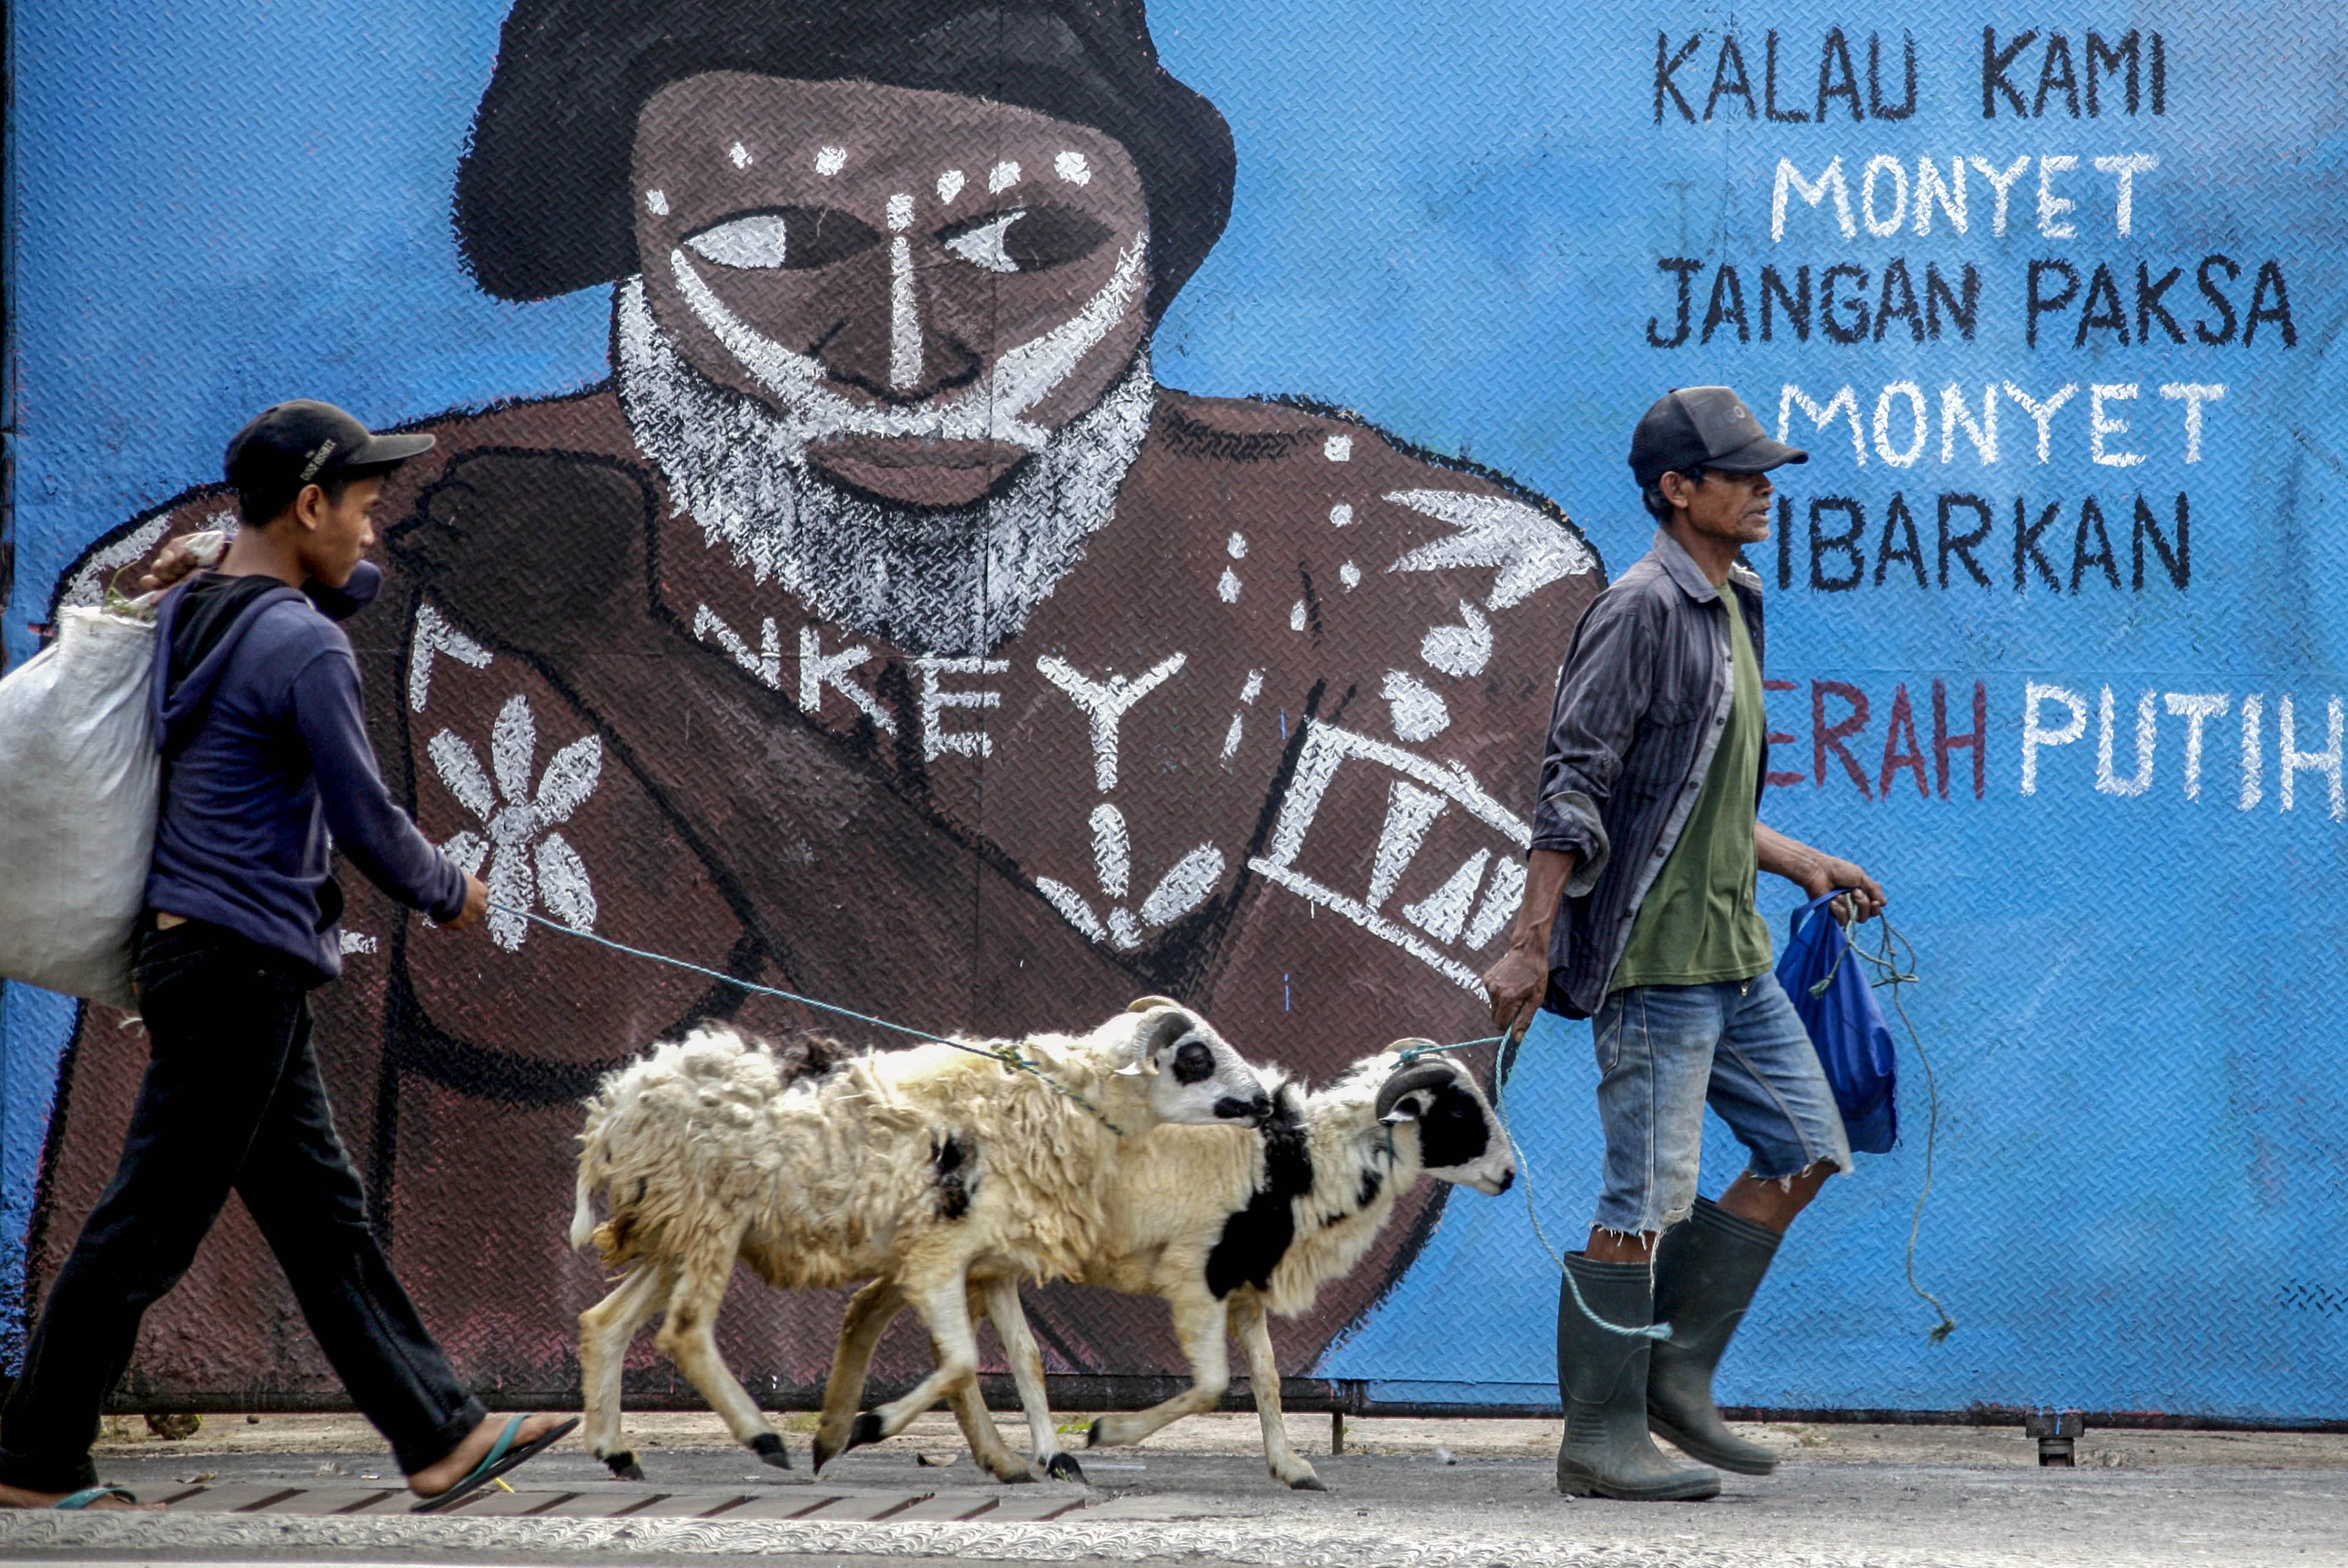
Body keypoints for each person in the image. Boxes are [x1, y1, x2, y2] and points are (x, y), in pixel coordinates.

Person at [42, 0, 1605, 1400]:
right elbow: (212, 1278)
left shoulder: (1424, 597)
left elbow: (1195, 1286)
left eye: (1024, 247)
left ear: (1152, 243)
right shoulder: (347, 586)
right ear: (636, 248)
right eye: (782, 248)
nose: (913, 358)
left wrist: (636, 667)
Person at [0, 403, 574, 1510]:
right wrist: (451, 891)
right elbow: (363, 816)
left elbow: (322, 582)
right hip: (237, 968)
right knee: (147, 1225)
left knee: (323, 1220)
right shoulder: (301, 643)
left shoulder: (206, 613)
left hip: (211, 966)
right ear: (309, 503)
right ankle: (31, 1459)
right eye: (362, 508)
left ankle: (440, 1436)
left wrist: (228, 546)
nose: (374, 535)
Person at [1479, 387, 1888, 1503]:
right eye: (1743, 473)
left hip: (1734, 953)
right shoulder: (1640, 608)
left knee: (1807, 1146)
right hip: (1655, 967)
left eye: (1767, 472)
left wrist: (1796, 857)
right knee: (1642, 1202)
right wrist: (1533, 942)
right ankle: (1599, 1436)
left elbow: (1691, 792)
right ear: (1677, 489)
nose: (1765, 490)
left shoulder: (1735, 600)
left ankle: (1674, 1377)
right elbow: (1577, 786)